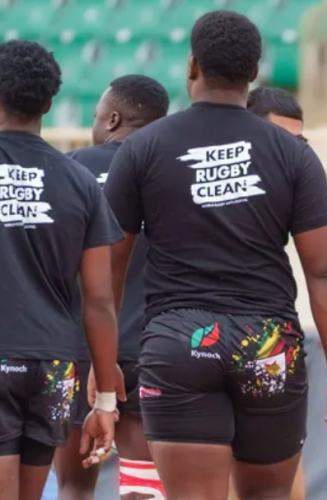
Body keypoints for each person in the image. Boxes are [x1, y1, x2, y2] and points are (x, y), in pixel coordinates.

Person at [103, 11, 327, 500]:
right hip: (268, 344)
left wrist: (103, 358)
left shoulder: (141, 148)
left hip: (178, 343)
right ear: (255, 73)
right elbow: (326, 271)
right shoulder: (293, 154)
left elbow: (108, 268)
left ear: (192, 66)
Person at [0, 40, 123, 500]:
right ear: (49, 103)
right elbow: (99, 299)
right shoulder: (79, 181)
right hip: (54, 368)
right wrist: (106, 400)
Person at [53, 75, 170, 500]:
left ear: (113, 118)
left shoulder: (70, 169)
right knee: (144, 489)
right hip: (154, 347)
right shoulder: (173, 169)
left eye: (98, 115)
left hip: (80, 347)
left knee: (72, 485)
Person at [245, 85, 312, 500]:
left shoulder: (298, 173)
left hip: (271, 331)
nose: (292, 151)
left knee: (283, 483)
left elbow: (326, 269)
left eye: (299, 142)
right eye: (280, 141)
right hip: (196, 334)